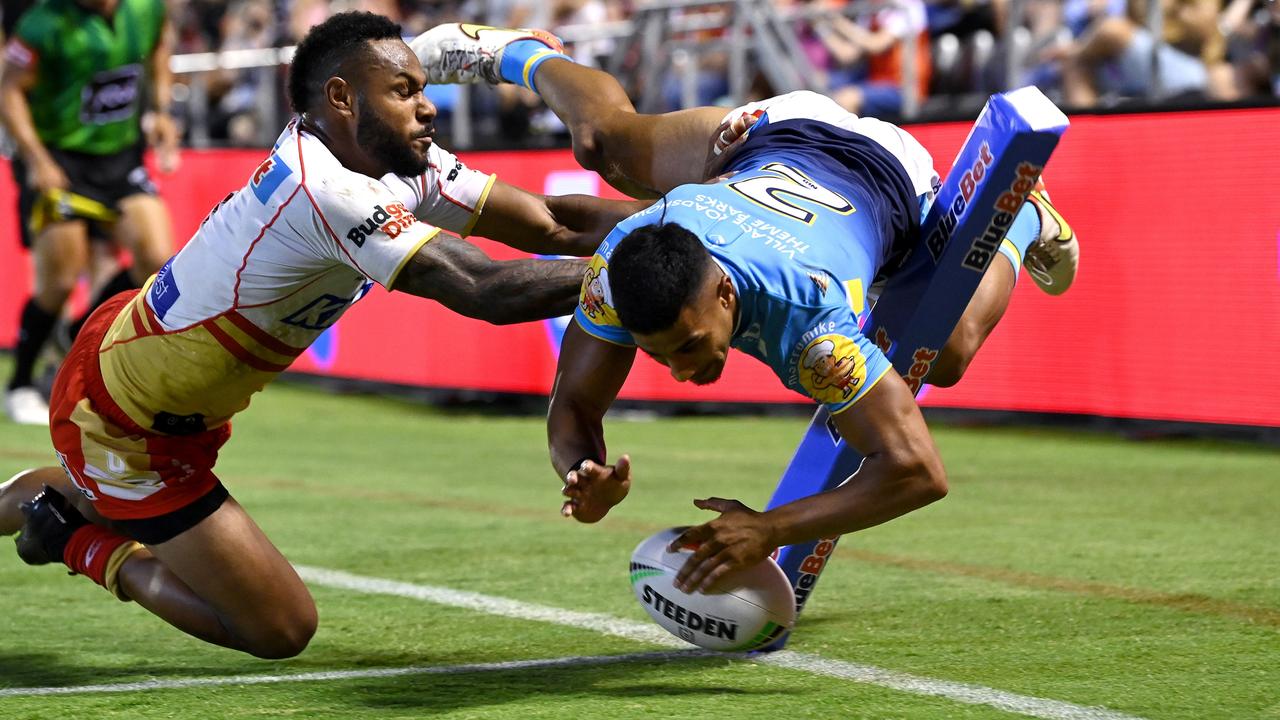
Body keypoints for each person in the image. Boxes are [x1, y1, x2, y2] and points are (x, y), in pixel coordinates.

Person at [0, 12, 644, 659]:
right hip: (124, 422)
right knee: (279, 629)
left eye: (424, 89)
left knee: (94, 495)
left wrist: (690, 219)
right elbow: (483, 289)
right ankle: (72, 539)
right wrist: (647, 271)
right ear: (341, 98)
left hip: (151, 368)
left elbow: (554, 225)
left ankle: (59, 498)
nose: (428, 108)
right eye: (405, 93)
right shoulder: (323, 188)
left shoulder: (392, 159)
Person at [412, 24, 1079, 593]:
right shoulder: (622, 270)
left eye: (691, 346)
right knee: (606, 145)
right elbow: (574, 409)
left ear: (725, 295)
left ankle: (1024, 214)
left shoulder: (812, 330)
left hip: (886, 178)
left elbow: (919, 473)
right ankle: (521, 53)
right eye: (663, 354)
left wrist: (769, 528)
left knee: (946, 354)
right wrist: (581, 472)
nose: (682, 371)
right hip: (760, 150)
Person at [1, 0, 181, 425]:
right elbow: (9, 91)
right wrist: (36, 159)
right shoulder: (42, 23)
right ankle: (21, 382)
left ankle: (77, 333)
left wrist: (159, 110)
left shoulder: (145, 9)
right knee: (61, 278)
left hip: (120, 158)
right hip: (60, 158)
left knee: (158, 263)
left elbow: (157, 52)